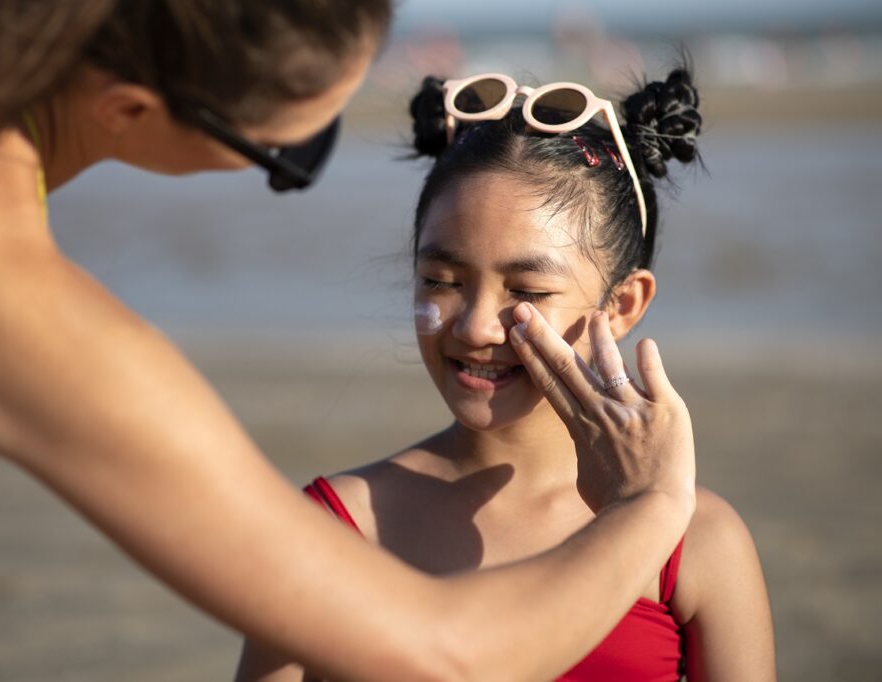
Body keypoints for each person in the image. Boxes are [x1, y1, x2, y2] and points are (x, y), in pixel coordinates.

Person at [0, 2, 697, 680]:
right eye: (288, 155)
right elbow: (441, 654)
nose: (292, 171)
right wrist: (651, 507)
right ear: (128, 107)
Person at [238, 66, 776, 681]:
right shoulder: (335, 528)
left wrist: (651, 509)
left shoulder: (697, 539)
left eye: (527, 290)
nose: (475, 327)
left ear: (623, 305)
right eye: (441, 280)